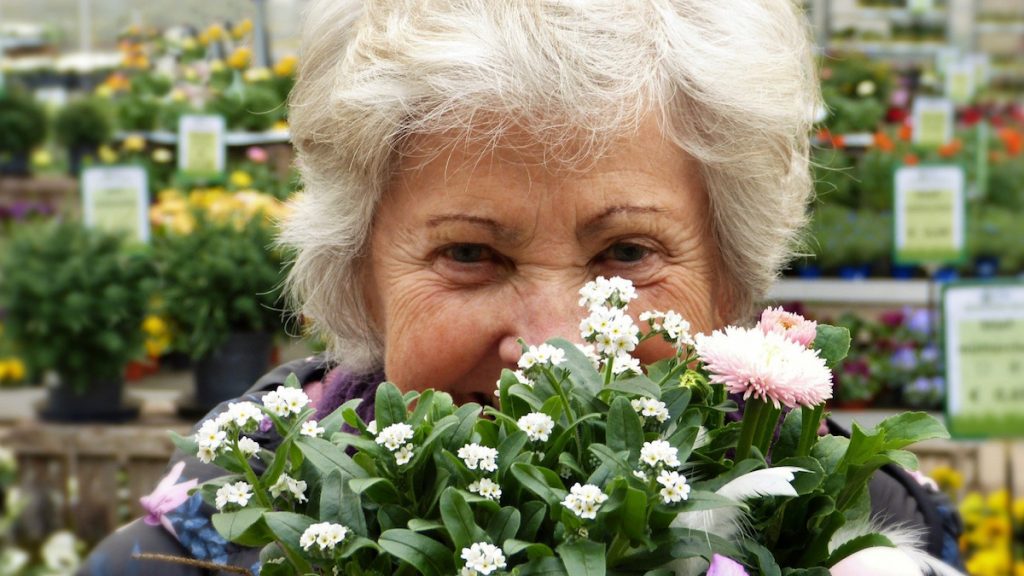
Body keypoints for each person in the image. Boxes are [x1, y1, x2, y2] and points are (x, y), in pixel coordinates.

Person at [79, 1, 963, 574]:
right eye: (470, 254)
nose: (551, 348)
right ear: (358, 274)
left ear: (729, 275)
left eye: (625, 253)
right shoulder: (187, 554)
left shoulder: (858, 536)